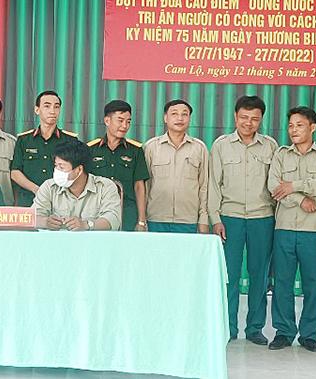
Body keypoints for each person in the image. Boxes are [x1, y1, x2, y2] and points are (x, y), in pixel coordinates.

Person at [208, 95, 278, 345]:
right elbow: (213, 184)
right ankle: (228, 327)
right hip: (230, 218)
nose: (249, 123)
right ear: (235, 117)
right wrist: (215, 218)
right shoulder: (221, 145)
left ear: (261, 120)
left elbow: (275, 183)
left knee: (260, 276)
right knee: (229, 276)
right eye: (244, 117)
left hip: (262, 218)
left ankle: (255, 328)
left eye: (254, 119)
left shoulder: (270, 146)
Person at [267, 106, 316, 352]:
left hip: (314, 230)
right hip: (284, 227)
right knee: (282, 283)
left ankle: (309, 334)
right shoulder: (281, 154)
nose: (293, 130)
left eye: (299, 125)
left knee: (313, 284)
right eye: (290, 126)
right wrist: (300, 199)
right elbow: (274, 186)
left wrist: (294, 185)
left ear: (313, 127)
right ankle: (284, 332)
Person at [143, 99, 208, 233]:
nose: (180, 118)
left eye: (184, 114)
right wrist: (142, 219)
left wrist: (203, 219)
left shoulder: (199, 148)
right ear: (165, 118)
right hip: (156, 219)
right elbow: (144, 186)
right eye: (174, 114)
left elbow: (204, 186)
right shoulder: (151, 147)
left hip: (188, 220)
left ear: (189, 119)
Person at [87, 100, 150, 231]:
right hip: (97, 212)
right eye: (120, 120)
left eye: (128, 121)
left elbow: (139, 186)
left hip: (127, 213)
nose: (124, 126)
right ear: (107, 121)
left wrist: (141, 221)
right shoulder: (90, 149)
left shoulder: (136, 151)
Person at [32, 139, 121, 231]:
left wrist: (86, 225)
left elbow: (113, 219)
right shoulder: (49, 187)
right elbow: (32, 217)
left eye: (61, 167)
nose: (57, 171)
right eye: (56, 166)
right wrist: (45, 222)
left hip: (93, 239)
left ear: (79, 170)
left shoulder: (105, 186)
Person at [11, 90, 78, 207]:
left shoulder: (70, 140)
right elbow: (15, 172)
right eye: (47, 106)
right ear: (37, 110)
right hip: (29, 200)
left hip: (61, 201)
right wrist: (36, 189)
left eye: (56, 107)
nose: (52, 111)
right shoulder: (24, 140)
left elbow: (76, 172)